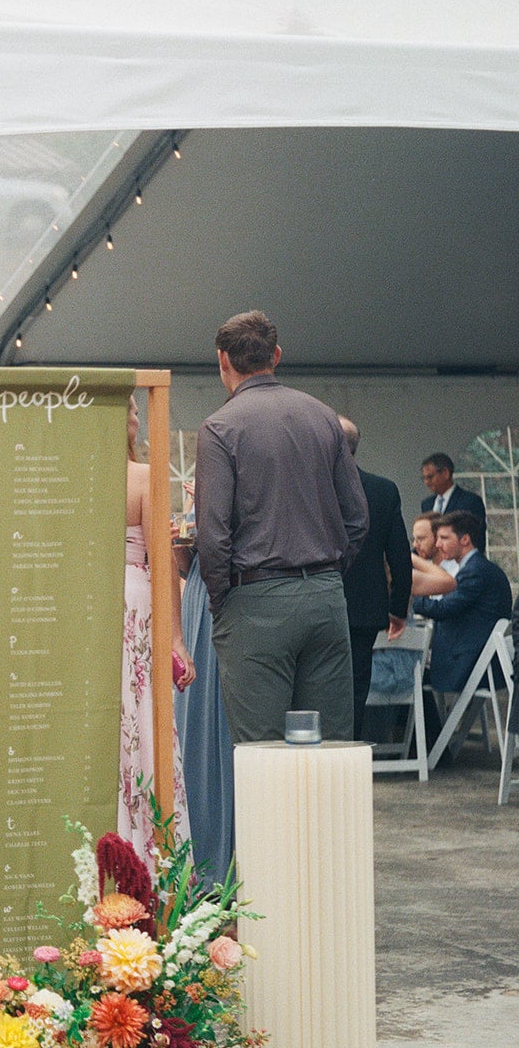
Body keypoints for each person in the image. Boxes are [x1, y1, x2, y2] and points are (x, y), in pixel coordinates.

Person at [195, 311, 368, 745]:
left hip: (254, 599)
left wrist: (222, 600)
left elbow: (212, 534)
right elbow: (356, 517)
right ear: (276, 354)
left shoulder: (219, 428)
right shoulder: (324, 417)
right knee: (330, 747)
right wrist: (327, 573)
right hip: (324, 596)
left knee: (262, 752)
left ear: (222, 360)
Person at [119, 396, 191, 855]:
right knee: (144, 718)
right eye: (130, 408)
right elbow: (162, 559)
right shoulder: (143, 476)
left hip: (92, 606)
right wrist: (177, 639)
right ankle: (152, 852)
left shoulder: (79, 479)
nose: (136, 415)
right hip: (134, 600)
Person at [173, 482, 233, 887]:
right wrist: (180, 539)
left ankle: (224, 858)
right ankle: (200, 855)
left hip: (227, 596)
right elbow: (184, 564)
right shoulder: (201, 492)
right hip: (199, 593)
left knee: (222, 724)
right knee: (195, 724)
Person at [337, 418, 411, 742]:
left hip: (311, 603)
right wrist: (398, 609)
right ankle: (349, 757)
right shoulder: (383, 490)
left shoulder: (308, 488)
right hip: (364, 607)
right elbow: (400, 556)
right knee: (355, 692)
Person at [417, 512, 513, 706]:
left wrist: (409, 597)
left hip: (470, 666)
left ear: (465, 540)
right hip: (484, 664)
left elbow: (443, 609)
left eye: (444, 538)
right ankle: (437, 726)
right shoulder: (481, 567)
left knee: (411, 676)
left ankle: (430, 727)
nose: (438, 544)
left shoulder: (474, 571)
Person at [420, 453, 486, 527]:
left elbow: (477, 532)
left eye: (430, 477)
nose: (426, 482)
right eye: (424, 478)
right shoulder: (427, 504)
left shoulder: (470, 501)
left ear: (445, 473)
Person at [409, 514, 456, 603]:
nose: (415, 545)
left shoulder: (458, 571)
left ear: (438, 538)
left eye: (421, 539)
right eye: (413, 539)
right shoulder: (423, 569)